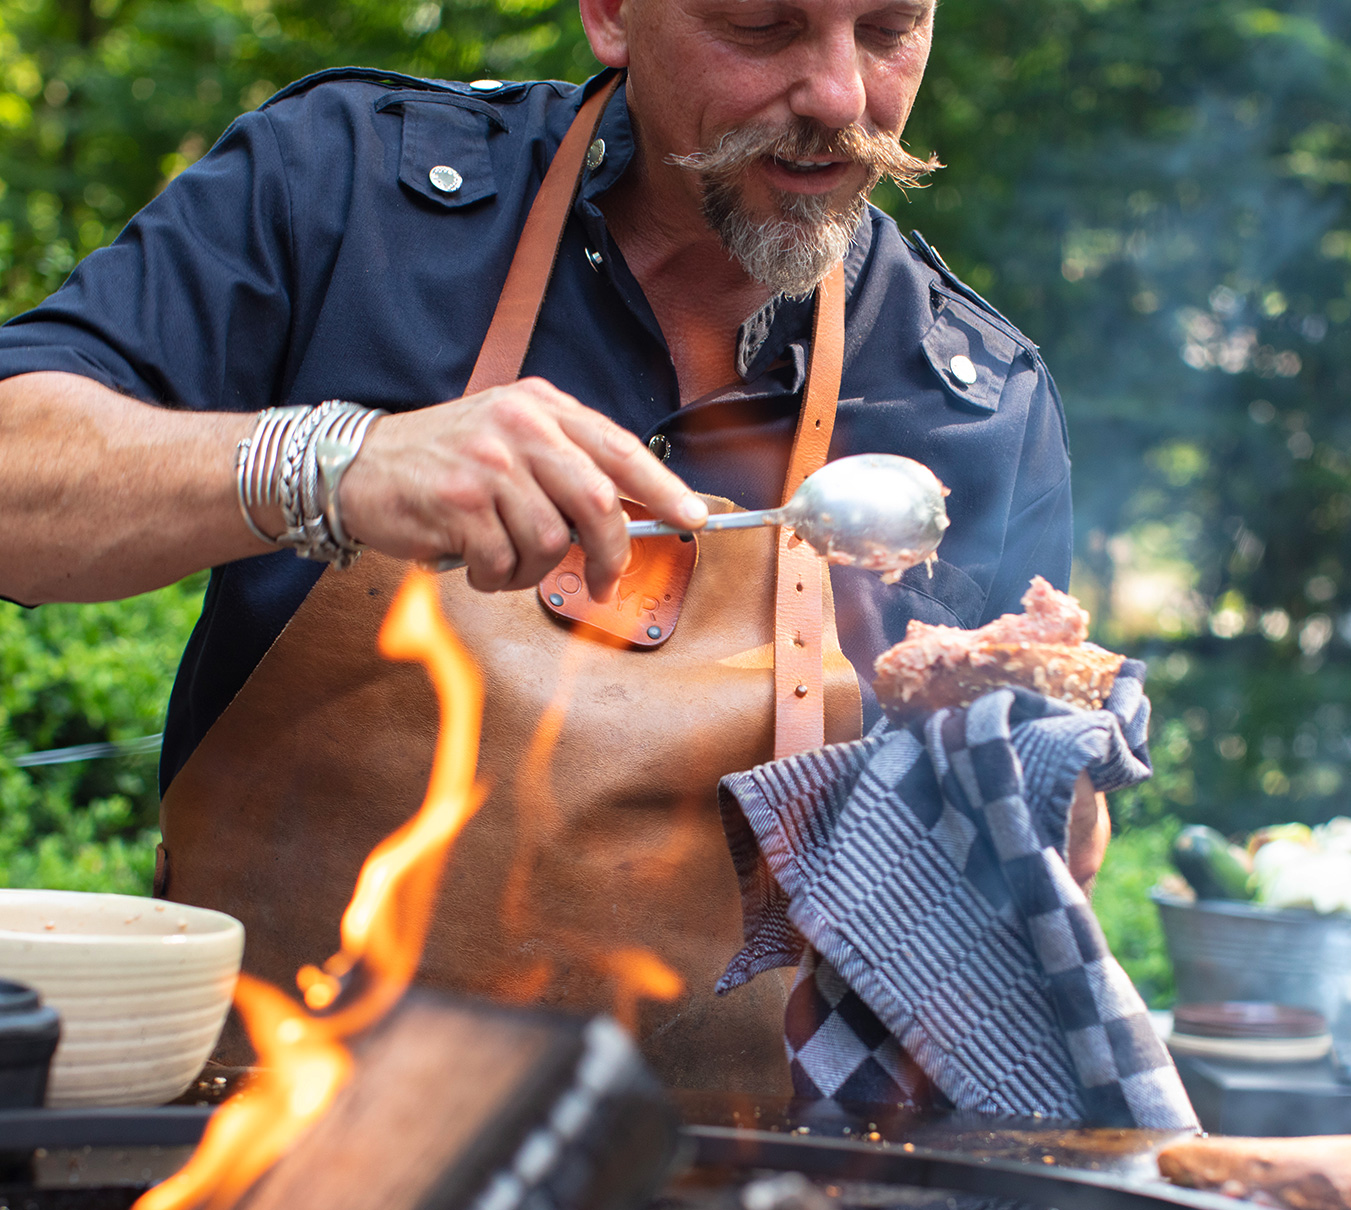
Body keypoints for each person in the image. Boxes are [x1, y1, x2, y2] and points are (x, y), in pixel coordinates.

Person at [0, 0, 1105, 1093]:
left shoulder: (975, 401)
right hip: (263, 1171)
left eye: (886, 28)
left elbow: (986, 939)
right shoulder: (342, 193)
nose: (841, 97)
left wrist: (1037, 833)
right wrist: (335, 463)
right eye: (763, 27)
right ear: (615, 15)